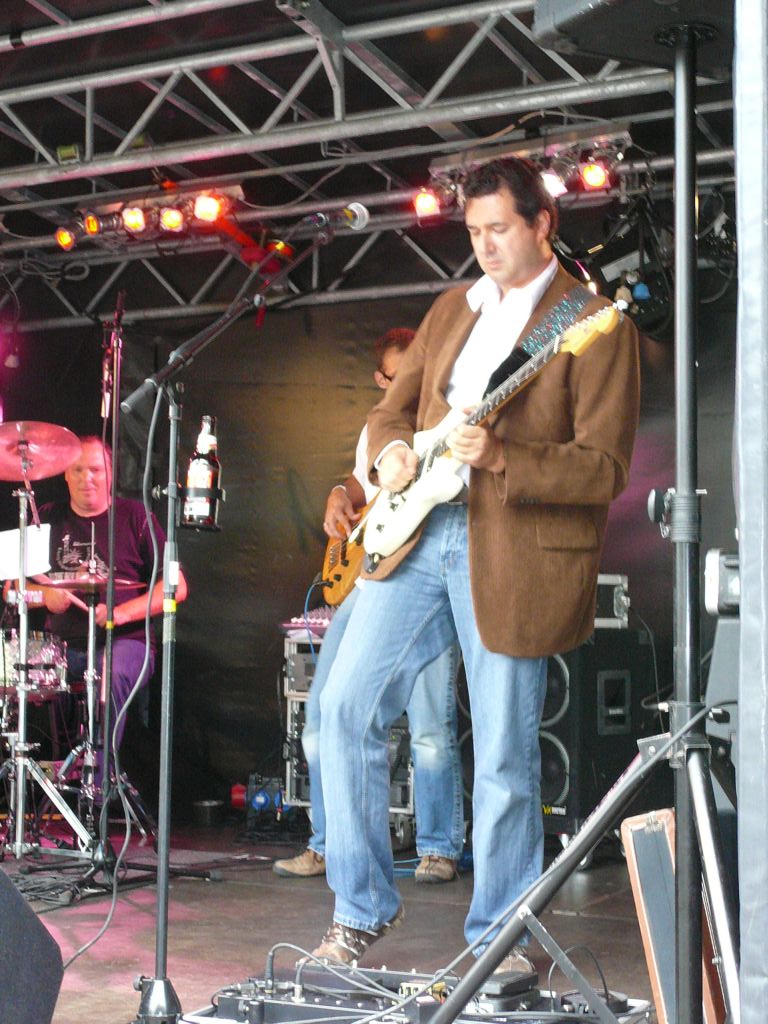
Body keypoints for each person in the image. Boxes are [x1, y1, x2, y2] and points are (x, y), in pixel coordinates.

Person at [308, 157, 641, 969]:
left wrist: (501, 455)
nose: (484, 246)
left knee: (502, 754)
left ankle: (500, 939)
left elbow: (603, 469)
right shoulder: (451, 308)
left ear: (542, 224)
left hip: (514, 548)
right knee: (343, 710)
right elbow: (390, 412)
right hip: (418, 535)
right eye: (473, 231)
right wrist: (390, 456)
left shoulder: (592, 323)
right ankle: (359, 911)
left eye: (499, 229)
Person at [274, 329, 464, 884]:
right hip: (370, 579)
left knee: (430, 730)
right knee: (322, 718)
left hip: (426, 579)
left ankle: (439, 848)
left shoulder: (446, 417)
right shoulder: (377, 426)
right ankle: (327, 843)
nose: (411, 382)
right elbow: (359, 484)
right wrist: (339, 495)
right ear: (382, 380)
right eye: (399, 375)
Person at [36, 436, 187, 779]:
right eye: (77, 470)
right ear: (65, 474)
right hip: (61, 647)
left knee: (110, 673)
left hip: (126, 643)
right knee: (35, 678)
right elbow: (12, 587)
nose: (86, 478)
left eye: (95, 470)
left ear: (110, 473)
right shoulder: (46, 518)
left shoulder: (136, 517)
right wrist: (43, 595)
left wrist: (118, 615)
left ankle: (98, 784)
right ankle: (58, 780)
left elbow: (176, 587)